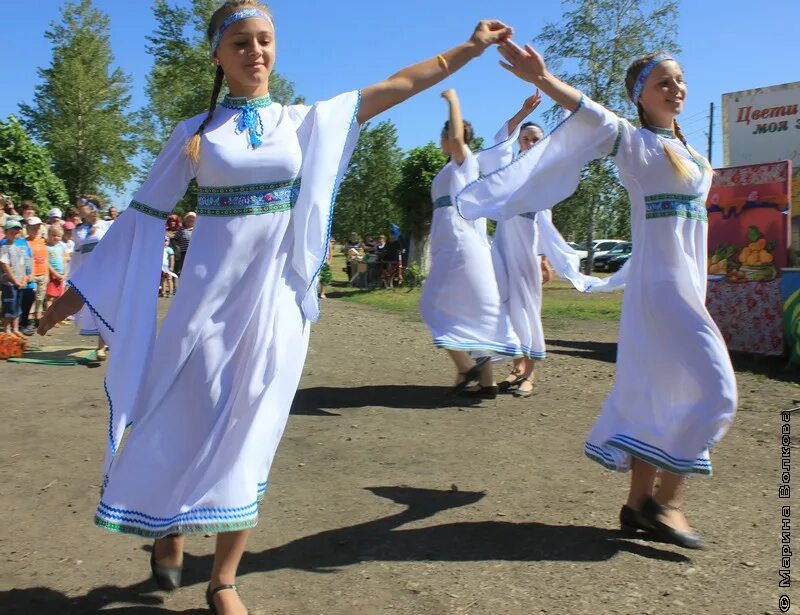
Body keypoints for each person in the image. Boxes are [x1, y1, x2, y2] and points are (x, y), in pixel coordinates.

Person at [38, 3, 512, 611]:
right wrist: (68, 299)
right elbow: (137, 224)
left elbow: (394, 87)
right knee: (181, 414)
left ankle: (224, 580)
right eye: (240, 42)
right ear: (217, 54)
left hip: (275, 304)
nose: (255, 51)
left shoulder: (304, 122)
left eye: (265, 40)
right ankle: (168, 530)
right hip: (205, 307)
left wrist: (467, 49)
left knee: (254, 428)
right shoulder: (194, 134)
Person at [456, 42, 737, 549]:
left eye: (679, 80)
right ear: (640, 95)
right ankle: (667, 503)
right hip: (660, 287)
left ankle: (635, 507)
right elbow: (588, 109)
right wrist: (542, 79)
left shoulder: (694, 155)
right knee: (719, 392)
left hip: (687, 288)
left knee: (657, 389)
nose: (676, 89)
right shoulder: (633, 143)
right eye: (663, 83)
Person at [419, 88, 523, 399]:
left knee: (430, 306)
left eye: (450, 136)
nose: (447, 140)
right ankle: (487, 382)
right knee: (472, 314)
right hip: (453, 245)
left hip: (460, 247)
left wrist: (453, 101)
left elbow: (458, 136)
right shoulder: (450, 170)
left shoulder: (465, 163)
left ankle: (465, 367)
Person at [71, 195, 112, 359]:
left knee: (103, 307)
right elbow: (77, 256)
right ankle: (106, 339)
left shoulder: (108, 225)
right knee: (92, 309)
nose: (79, 209)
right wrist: (73, 276)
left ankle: (100, 347)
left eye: (82, 205)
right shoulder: (78, 230)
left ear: (92, 208)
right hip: (89, 275)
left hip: (106, 273)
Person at [0, 219, 30, 338]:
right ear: (6, 232)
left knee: (17, 306)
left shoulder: (18, 247)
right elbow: (5, 265)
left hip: (18, 282)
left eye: (16, 232)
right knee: (9, 305)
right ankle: (7, 328)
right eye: (12, 232)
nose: (14, 234)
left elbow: (22, 264)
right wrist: (15, 280)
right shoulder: (4, 248)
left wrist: (23, 278)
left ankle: (16, 328)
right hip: (9, 283)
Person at [24, 216, 49, 332]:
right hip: (33, 274)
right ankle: (29, 319)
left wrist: (47, 273)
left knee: (40, 297)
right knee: (32, 298)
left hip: (43, 273)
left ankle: (38, 318)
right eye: (33, 228)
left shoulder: (42, 241)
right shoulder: (25, 242)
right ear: (28, 229)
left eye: (38, 228)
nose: (36, 230)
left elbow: (46, 258)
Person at [45, 225, 67, 311]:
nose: (56, 237)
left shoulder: (61, 247)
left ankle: (54, 317)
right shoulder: (46, 247)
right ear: (48, 235)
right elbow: (47, 263)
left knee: (58, 298)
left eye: (58, 236)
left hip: (61, 276)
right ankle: (49, 318)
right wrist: (56, 274)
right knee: (50, 298)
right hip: (52, 276)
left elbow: (64, 260)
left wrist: (64, 273)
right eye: (53, 235)